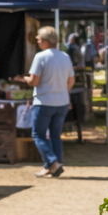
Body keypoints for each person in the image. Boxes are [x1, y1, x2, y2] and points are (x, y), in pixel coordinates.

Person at [26, 26, 75, 177]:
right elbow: (71, 80)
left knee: (38, 135)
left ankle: (52, 162)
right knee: (55, 135)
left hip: (44, 101)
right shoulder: (65, 57)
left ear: (46, 41)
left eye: (39, 40)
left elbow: (34, 81)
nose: (38, 42)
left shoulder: (40, 56)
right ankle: (54, 165)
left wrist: (24, 79)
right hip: (62, 102)